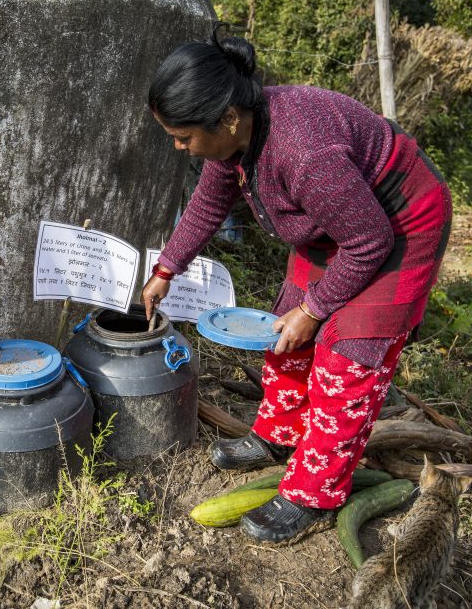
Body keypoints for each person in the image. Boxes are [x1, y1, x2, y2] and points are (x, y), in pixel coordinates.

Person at [141, 29, 452, 545]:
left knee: (344, 363)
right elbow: (207, 205)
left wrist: (317, 309)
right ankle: (280, 436)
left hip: (398, 228)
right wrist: (166, 269)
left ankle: (316, 492)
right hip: (341, 222)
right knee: (282, 333)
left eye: (183, 136)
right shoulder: (237, 137)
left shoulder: (304, 151)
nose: (179, 146)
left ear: (227, 118)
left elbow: (370, 241)